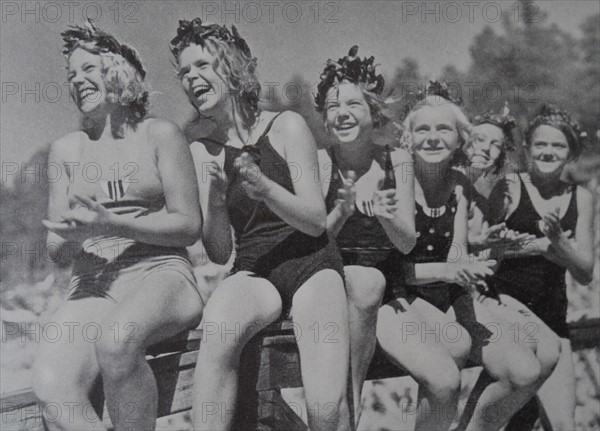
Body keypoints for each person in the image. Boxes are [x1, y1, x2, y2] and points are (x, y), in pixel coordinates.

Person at [170, 18, 351, 431]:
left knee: (325, 411)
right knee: (218, 327)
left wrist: (265, 187)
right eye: (183, 72)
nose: (191, 78)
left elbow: (315, 220)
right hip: (254, 269)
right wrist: (216, 203)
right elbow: (219, 253)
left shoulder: (286, 126)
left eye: (201, 65)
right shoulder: (201, 152)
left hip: (312, 263)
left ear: (232, 67)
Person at [33, 22, 204, 431]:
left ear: (117, 71)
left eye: (88, 69)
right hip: (92, 285)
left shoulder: (160, 134)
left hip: (160, 275)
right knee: (50, 382)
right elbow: (57, 251)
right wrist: (72, 237)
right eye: (71, 76)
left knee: (116, 341)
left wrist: (112, 223)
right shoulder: (65, 151)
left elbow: (188, 226)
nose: (77, 82)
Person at [314, 47, 416, 425]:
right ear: (324, 119)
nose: (342, 113)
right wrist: (342, 211)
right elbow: (310, 241)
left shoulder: (398, 162)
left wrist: (386, 217)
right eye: (332, 107)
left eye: (353, 104)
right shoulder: (320, 162)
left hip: (388, 291)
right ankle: (350, 410)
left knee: (448, 364)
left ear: (373, 112)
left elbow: (407, 242)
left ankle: (350, 413)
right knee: (364, 280)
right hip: (330, 278)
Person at [488, 104, 594, 431]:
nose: (549, 151)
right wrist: (545, 247)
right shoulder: (508, 187)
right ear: (527, 148)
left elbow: (585, 272)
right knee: (510, 421)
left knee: (562, 425)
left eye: (558, 145)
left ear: (571, 152)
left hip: (554, 315)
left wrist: (560, 243)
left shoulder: (582, 196)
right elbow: (487, 253)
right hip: (507, 313)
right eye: (541, 144)